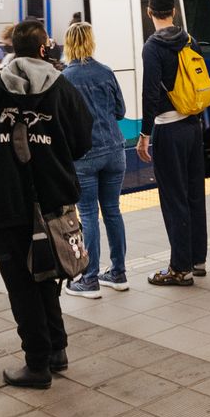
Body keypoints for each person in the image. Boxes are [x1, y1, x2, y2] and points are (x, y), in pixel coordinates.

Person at [0, 20, 91, 389]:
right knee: (48, 277)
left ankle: (37, 364)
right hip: (55, 201)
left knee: (22, 285)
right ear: (43, 49)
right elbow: (82, 141)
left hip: (8, 204)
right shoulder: (64, 89)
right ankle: (56, 350)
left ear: (12, 50)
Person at [138, 0, 206, 285]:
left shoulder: (152, 47)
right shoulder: (189, 40)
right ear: (174, 12)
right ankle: (198, 259)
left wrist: (144, 135)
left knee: (173, 198)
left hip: (168, 128)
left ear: (149, 12)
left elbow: (150, 93)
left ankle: (180, 268)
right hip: (193, 126)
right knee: (194, 194)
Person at [58, 21, 128, 298]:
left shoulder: (64, 78)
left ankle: (89, 279)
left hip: (84, 156)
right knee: (112, 210)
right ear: (92, 41)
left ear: (68, 44)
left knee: (88, 215)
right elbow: (121, 111)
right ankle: (119, 273)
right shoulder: (106, 72)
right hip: (115, 150)